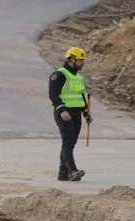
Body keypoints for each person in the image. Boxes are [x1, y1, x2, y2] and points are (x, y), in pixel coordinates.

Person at [48, 47, 92, 182]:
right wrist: (62, 110)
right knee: (67, 142)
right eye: (80, 61)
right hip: (64, 113)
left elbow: (81, 97)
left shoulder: (79, 78)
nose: (82, 63)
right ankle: (72, 170)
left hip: (76, 113)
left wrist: (86, 113)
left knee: (71, 143)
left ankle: (62, 173)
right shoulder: (59, 75)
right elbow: (53, 95)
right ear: (71, 60)